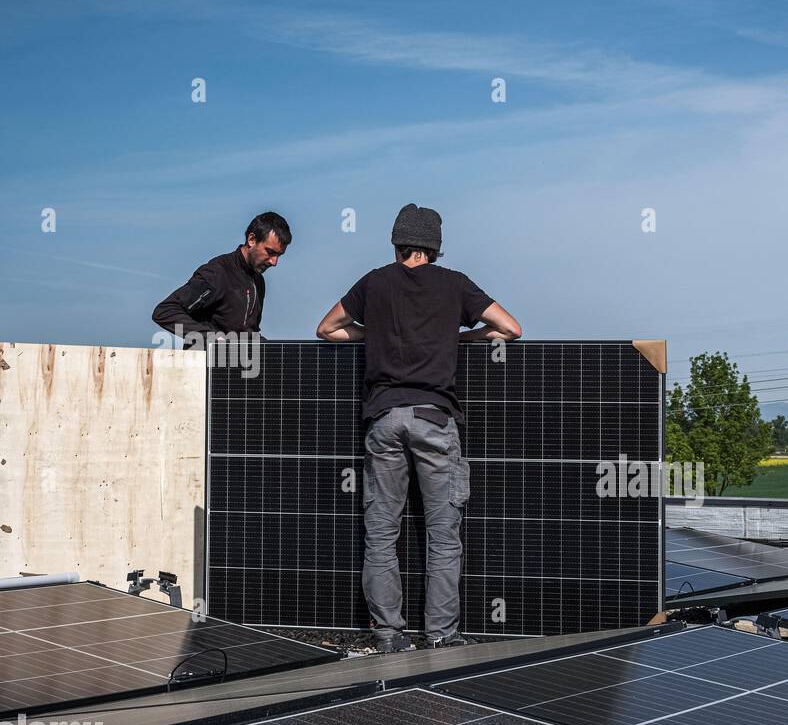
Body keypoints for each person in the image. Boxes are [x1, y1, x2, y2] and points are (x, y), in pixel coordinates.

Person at [316, 204, 521, 652]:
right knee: (442, 537)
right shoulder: (455, 285)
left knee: (382, 535)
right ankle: (442, 636)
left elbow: (327, 329)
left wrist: (379, 336)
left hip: (384, 419)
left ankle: (389, 637)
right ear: (435, 246)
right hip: (434, 418)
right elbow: (510, 328)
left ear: (396, 243)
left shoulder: (374, 283)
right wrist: (456, 336)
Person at [152, 212, 291, 338]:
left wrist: (277, 352)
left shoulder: (258, 281)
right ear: (252, 240)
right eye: (270, 252)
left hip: (242, 364)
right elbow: (165, 311)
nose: (274, 262)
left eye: (279, 255)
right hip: (205, 363)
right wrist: (212, 338)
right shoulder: (217, 272)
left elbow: (250, 334)